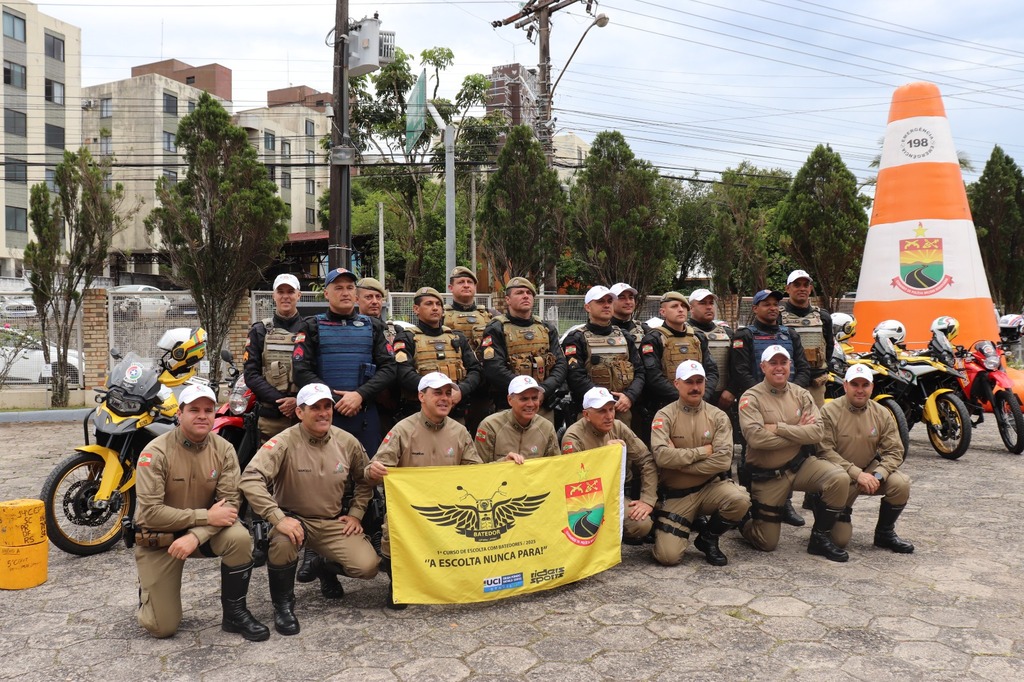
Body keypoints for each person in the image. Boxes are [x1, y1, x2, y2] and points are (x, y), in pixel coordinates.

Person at [365, 372, 522, 609]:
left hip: (449, 514)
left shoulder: (459, 431)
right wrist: (374, 471)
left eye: (448, 393)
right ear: (421, 396)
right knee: (389, 554)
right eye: (437, 393)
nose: (444, 398)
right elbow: (372, 471)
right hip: (411, 516)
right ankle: (399, 580)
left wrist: (503, 464)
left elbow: (476, 474)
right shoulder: (402, 430)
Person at [239, 383, 380, 636]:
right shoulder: (282, 442)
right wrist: (277, 518)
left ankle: (323, 565)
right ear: (300, 412)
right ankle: (283, 605)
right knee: (282, 543)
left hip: (331, 522)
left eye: (327, 407)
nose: (324, 413)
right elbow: (250, 478)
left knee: (368, 567)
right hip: (292, 521)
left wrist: (357, 513)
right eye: (315, 407)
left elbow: (365, 479)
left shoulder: (347, 442)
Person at [132, 384, 269, 641]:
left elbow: (228, 506)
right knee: (162, 627)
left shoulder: (224, 449)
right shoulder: (155, 452)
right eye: (194, 409)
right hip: (161, 538)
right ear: (179, 414)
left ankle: (235, 615)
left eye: (209, 410)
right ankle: (149, 592)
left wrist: (196, 534)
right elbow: (150, 513)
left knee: (239, 537)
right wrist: (204, 517)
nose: (202, 415)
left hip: (203, 535)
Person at [737, 345, 850, 562]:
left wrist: (778, 427)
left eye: (783, 362)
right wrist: (799, 429)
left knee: (839, 478)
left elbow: (817, 432)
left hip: (799, 466)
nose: (779, 368)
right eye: (773, 363)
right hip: (768, 475)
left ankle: (820, 538)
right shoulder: (751, 398)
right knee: (766, 543)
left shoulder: (801, 394)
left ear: (790, 365)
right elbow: (756, 438)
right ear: (763, 367)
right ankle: (743, 520)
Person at [650, 361, 750, 567]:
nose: (695, 387)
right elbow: (661, 456)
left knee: (740, 499)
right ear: (677, 383)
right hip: (679, 495)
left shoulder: (718, 416)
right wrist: (702, 452)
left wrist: (679, 462)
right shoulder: (664, 416)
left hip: (711, 488)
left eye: (699, 381)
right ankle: (681, 524)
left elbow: (723, 460)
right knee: (668, 557)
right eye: (689, 382)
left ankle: (708, 538)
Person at [728, 288, 811, 527]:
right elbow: (741, 372)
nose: (772, 308)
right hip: (756, 405)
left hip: (790, 403)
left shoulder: (790, 334)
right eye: (766, 304)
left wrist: (793, 393)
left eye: (775, 304)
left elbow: (803, 368)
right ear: (755, 309)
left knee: (791, 452)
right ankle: (749, 502)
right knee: (751, 454)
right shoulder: (744, 335)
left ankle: (784, 503)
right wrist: (765, 396)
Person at [292, 267, 396, 458]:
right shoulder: (311, 326)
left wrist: (359, 395)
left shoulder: (373, 326)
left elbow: (389, 368)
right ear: (326, 294)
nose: (345, 292)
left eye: (349, 287)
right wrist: (334, 399)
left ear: (356, 294)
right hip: (324, 416)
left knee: (368, 478)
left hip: (364, 415)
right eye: (338, 288)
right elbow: (300, 371)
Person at [817, 364, 914, 554]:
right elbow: (824, 451)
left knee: (901, 484)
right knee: (840, 540)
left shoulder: (882, 413)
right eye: (855, 384)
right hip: (838, 478)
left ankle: (884, 534)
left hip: (868, 474)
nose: (860, 390)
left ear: (872, 386)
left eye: (865, 384)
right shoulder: (829, 411)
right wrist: (856, 474)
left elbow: (895, 451)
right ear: (845, 385)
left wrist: (878, 475)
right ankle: (821, 505)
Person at [561, 387, 658, 544]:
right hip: (585, 501)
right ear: (586, 415)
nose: (609, 416)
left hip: (614, 495)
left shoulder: (618, 426)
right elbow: (574, 481)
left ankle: (617, 532)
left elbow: (646, 460)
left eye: (611, 409)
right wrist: (605, 455)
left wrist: (647, 499)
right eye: (601, 411)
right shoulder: (573, 437)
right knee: (585, 527)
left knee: (642, 524)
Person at [481, 277, 567, 424]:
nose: (525, 295)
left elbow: (560, 364)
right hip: (509, 405)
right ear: (508, 299)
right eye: (519, 292)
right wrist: (526, 391)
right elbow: (494, 368)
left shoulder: (546, 328)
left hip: (543, 404)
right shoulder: (496, 328)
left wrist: (544, 390)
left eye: (529, 293)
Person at [393, 286, 482, 421]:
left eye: (438, 304)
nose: (435, 308)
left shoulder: (456, 337)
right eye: (429, 304)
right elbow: (403, 374)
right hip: (419, 415)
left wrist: (460, 390)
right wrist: (435, 394)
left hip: (455, 414)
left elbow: (475, 370)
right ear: (416, 309)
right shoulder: (406, 338)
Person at [562, 285, 644, 426]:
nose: (606, 305)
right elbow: (575, 377)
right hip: (591, 411)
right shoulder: (575, 338)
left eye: (609, 301)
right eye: (600, 302)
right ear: (588, 307)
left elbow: (640, 371)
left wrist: (629, 396)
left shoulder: (624, 336)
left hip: (623, 408)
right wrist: (606, 400)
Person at [244, 273, 306, 442]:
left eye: (291, 292)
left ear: (298, 295)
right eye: (280, 292)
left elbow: (317, 370)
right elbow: (251, 374)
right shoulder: (259, 331)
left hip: (305, 415)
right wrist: (282, 402)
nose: (285, 296)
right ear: (274, 295)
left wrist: (297, 400)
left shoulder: (310, 329)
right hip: (271, 417)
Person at [640, 291, 718, 410]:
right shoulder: (653, 339)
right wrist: (682, 397)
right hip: (666, 406)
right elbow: (653, 376)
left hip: (699, 404)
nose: (681, 310)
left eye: (683, 306)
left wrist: (703, 395)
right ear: (663, 312)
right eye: (674, 306)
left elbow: (712, 371)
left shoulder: (698, 337)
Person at [443, 265, 497, 435]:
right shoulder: (440, 314)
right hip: (452, 385)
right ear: (451, 288)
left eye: (470, 282)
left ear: (475, 287)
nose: (466, 285)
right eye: (461, 282)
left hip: (483, 387)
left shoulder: (491, 315)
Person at [474, 375, 560, 463]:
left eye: (534, 398)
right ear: (510, 400)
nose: (530, 404)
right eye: (524, 399)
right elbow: (479, 469)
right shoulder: (490, 426)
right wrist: (503, 462)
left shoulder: (547, 428)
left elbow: (555, 467)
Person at [780, 270, 833, 408]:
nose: (802, 288)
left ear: (810, 288)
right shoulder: (778, 317)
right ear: (788, 289)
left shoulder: (823, 317)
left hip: (815, 383)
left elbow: (829, 347)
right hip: (787, 383)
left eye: (805, 285)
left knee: (816, 423)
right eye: (797, 285)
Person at [687, 288, 734, 411]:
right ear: (691, 308)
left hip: (723, 397)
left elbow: (737, 365)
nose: (708, 307)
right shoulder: (683, 333)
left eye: (711, 303)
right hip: (693, 397)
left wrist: (731, 389)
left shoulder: (727, 332)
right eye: (702, 303)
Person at [356, 276, 401, 345]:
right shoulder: (350, 330)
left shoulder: (396, 332)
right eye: (368, 297)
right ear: (357, 300)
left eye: (378, 297)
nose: (375, 301)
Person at [609, 282, 647, 348]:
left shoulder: (644, 330)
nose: (628, 302)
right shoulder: (602, 329)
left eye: (631, 297)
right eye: (621, 298)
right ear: (611, 302)